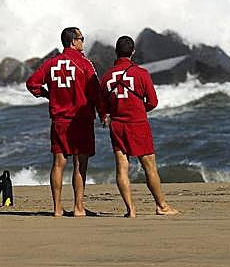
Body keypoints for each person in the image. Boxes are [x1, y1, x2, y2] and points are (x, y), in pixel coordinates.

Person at [26, 27, 103, 217]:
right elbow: (96, 92)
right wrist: (104, 113)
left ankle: (57, 208)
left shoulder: (50, 64)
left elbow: (31, 84)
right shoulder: (85, 64)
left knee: (58, 163)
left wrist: (47, 94)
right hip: (81, 120)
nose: (83, 43)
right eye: (81, 39)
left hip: (59, 120)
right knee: (80, 165)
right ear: (73, 42)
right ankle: (78, 207)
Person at [99, 35, 179, 218]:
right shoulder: (141, 73)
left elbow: (102, 105)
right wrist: (138, 109)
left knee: (121, 167)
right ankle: (161, 206)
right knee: (149, 167)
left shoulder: (107, 76)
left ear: (116, 52)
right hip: (137, 124)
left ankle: (131, 210)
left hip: (117, 125)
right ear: (133, 52)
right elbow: (153, 101)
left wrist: (106, 116)